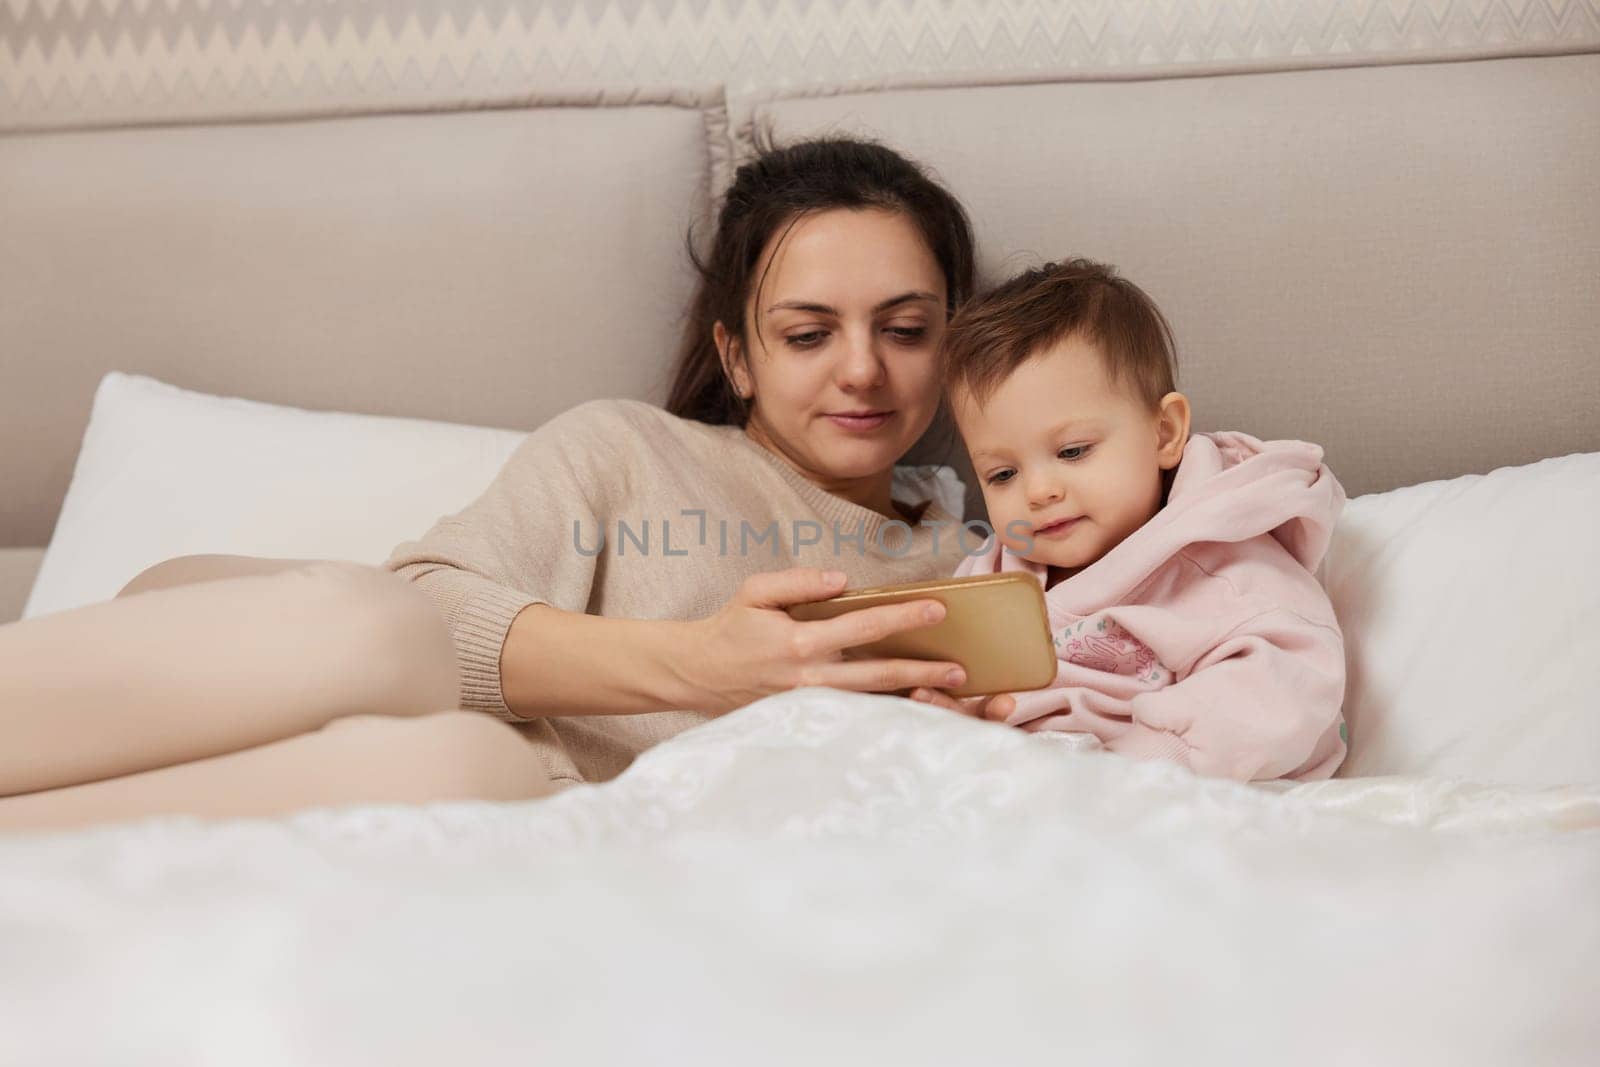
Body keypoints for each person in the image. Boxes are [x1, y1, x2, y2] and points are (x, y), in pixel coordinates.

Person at [0, 137, 980, 830]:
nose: (861, 370)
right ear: (737, 354)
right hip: (249, 661)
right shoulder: (630, 449)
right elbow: (429, 612)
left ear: (949, 343)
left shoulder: (974, 561)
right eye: (808, 333)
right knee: (383, 626)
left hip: (487, 789)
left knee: (475, 779)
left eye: (904, 329)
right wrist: (700, 663)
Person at [911, 258, 1348, 781]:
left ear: (1164, 433)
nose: (1039, 491)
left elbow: (1283, 693)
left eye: (1072, 452)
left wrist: (1143, 770)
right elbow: (961, 683)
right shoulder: (992, 574)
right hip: (1026, 788)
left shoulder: (1224, 569)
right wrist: (958, 722)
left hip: (1177, 789)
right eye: (1003, 474)